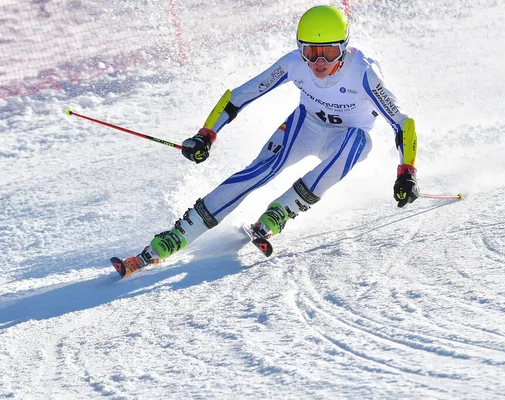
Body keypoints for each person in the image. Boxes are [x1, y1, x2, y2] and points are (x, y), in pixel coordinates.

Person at [111, 5, 420, 277]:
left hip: (346, 137)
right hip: (306, 125)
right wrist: (206, 134)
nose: (319, 62)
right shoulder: (293, 64)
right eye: (311, 51)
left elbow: (402, 123)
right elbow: (240, 96)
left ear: (344, 47)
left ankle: (282, 211)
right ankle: (178, 234)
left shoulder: (364, 73)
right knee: (259, 171)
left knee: (359, 142)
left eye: (329, 52)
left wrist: (407, 172)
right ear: (301, 49)